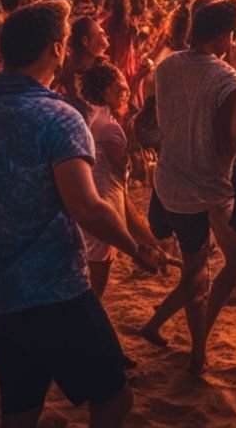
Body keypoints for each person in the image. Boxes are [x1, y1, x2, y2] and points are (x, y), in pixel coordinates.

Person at [0, 1, 163, 427]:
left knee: (21, 405)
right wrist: (136, 249)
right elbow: (87, 207)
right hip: (51, 289)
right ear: (56, 50)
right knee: (114, 398)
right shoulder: (57, 117)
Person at [139, 0, 236, 375]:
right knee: (217, 270)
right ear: (222, 36)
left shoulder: (167, 65)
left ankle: (187, 342)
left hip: (171, 180)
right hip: (211, 184)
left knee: (197, 271)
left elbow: (159, 116)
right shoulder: (229, 79)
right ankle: (195, 349)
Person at [76, 63, 161, 298]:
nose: (126, 94)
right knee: (94, 291)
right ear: (105, 93)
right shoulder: (108, 129)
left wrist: (148, 240)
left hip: (98, 211)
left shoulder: (92, 120)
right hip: (104, 212)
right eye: (120, 89)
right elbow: (122, 187)